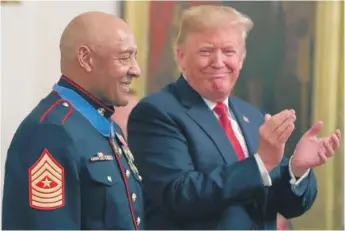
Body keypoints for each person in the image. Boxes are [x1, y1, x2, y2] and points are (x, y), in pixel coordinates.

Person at [127, 5, 341, 230]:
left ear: (241, 59)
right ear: (181, 56)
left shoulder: (251, 115)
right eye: (206, 51)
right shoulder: (156, 112)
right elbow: (179, 195)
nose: (218, 62)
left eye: (229, 52)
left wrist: (297, 168)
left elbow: (288, 206)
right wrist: (262, 163)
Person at [2, 11, 144, 230]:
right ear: (86, 59)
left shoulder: (107, 126)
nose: (136, 69)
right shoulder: (50, 131)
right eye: (124, 58)